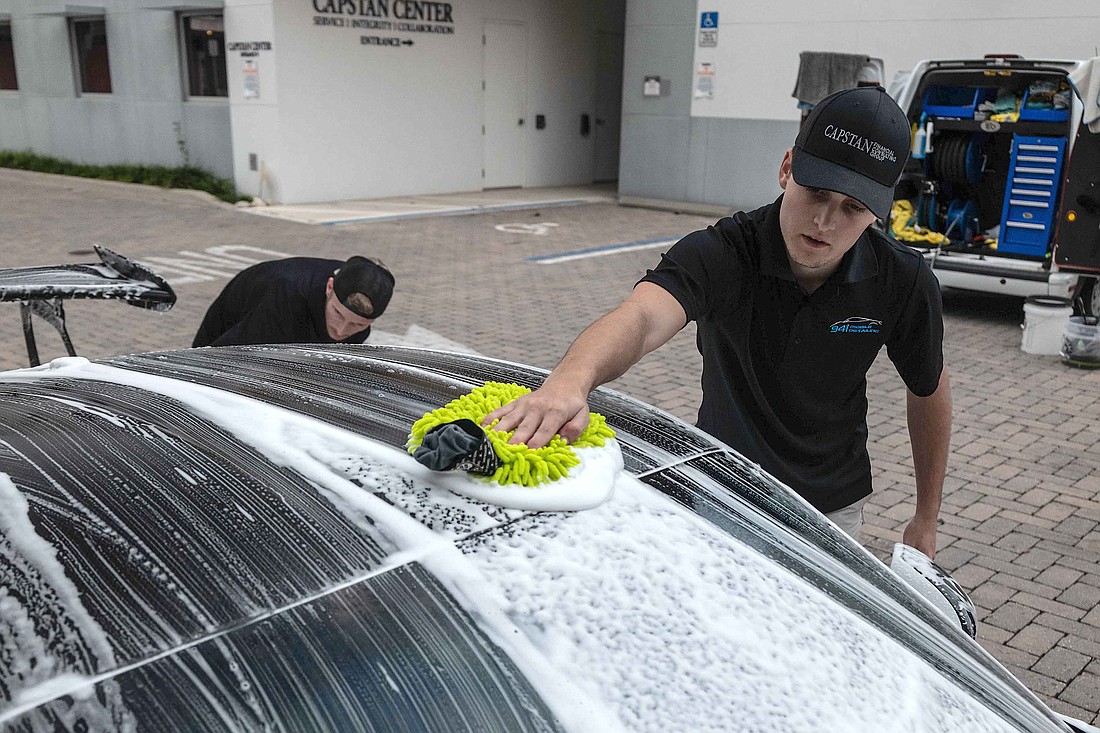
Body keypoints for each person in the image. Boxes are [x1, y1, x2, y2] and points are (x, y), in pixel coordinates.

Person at [485, 86, 951, 558]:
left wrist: (926, 518)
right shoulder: (724, 252)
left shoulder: (904, 281)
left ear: (879, 210)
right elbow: (643, 316)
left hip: (830, 508)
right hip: (722, 487)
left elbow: (928, 387)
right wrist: (570, 381)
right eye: (816, 192)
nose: (825, 222)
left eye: (853, 207)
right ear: (787, 168)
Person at [192, 256, 394, 347]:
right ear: (329, 287)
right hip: (232, 335)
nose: (341, 331)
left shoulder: (355, 315)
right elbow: (226, 357)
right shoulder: (285, 296)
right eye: (337, 314)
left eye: (357, 324)